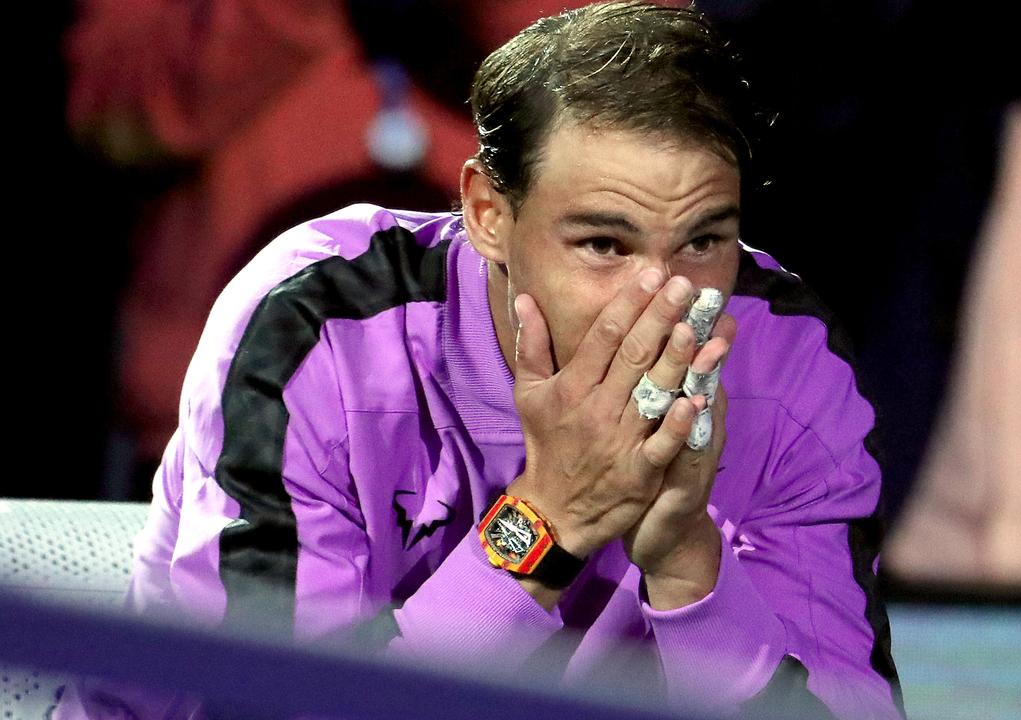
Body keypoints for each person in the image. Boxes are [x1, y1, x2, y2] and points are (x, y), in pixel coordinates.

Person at [54, 2, 903, 718]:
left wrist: (687, 563)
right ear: (487, 213)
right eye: (604, 243)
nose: (662, 297)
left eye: (704, 241)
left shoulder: (789, 362)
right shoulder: (314, 329)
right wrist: (548, 522)